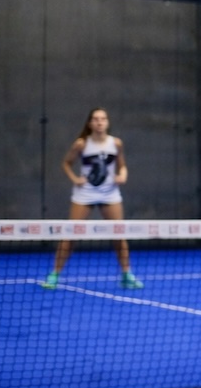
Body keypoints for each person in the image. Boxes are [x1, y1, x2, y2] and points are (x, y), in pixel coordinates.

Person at [40, 108, 142, 291]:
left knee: (119, 235)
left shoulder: (116, 143)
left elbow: (122, 165)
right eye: (95, 119)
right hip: (85, 194)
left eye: (103, 119)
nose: (99, 122)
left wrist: (123, 174)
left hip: (110, 193)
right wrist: (75, 180)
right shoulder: (81, 144)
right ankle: (54, 274)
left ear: (107, 122)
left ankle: (127, 275)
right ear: (90, 123)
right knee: (70, 234)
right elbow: (66, 163)